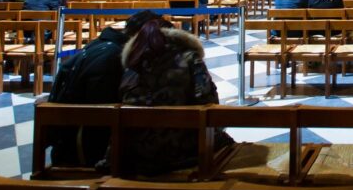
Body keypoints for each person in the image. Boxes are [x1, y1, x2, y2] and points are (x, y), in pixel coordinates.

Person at [120, 15, 232, 175]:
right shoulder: (189, 58)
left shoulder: (132, 64)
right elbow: (208, 102)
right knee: (227, 143)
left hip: (138, 154)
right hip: (182, 152)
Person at [48, 10, 160, 167]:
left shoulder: (101, 45)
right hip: (82, 146)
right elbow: (102, 110)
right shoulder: (112, 57)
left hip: (69, 133)